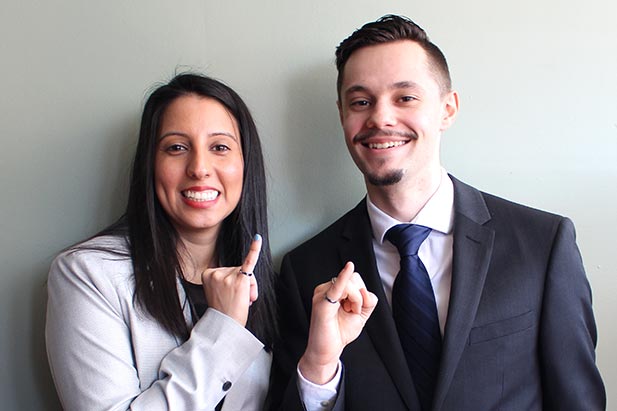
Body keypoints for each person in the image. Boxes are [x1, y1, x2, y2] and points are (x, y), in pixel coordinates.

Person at [268, 15, 606, 411]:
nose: (380, 118)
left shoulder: (542, 244)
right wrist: (320, 367)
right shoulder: (303, 270)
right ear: (343, 114)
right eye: (361, 102)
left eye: (405, 98)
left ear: (447, 109)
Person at [45, 73, 279, 410]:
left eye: (220, 147)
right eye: (177, 148)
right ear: (151, 165)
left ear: (246, 166)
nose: (199, 168)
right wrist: (223, 328)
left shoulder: (266, 284)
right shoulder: (86, 274)